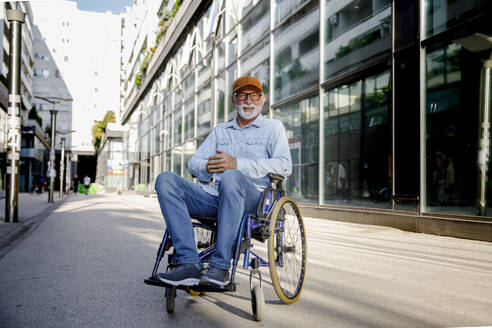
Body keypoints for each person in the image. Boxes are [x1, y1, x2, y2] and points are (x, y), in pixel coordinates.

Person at [154, 76, 292, 288]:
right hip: (213, 196)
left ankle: (220, 266)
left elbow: (284, 166)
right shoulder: (221, 131)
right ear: (233, 100)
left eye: (254, 96)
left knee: (231, 176)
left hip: (252, 200)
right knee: (165, 180)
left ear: (262, 100)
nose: (248, 101)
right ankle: (189, 262)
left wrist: (237, 164)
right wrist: (207, 167)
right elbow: (194, 163)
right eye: (242, 95)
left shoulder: (273, 128)